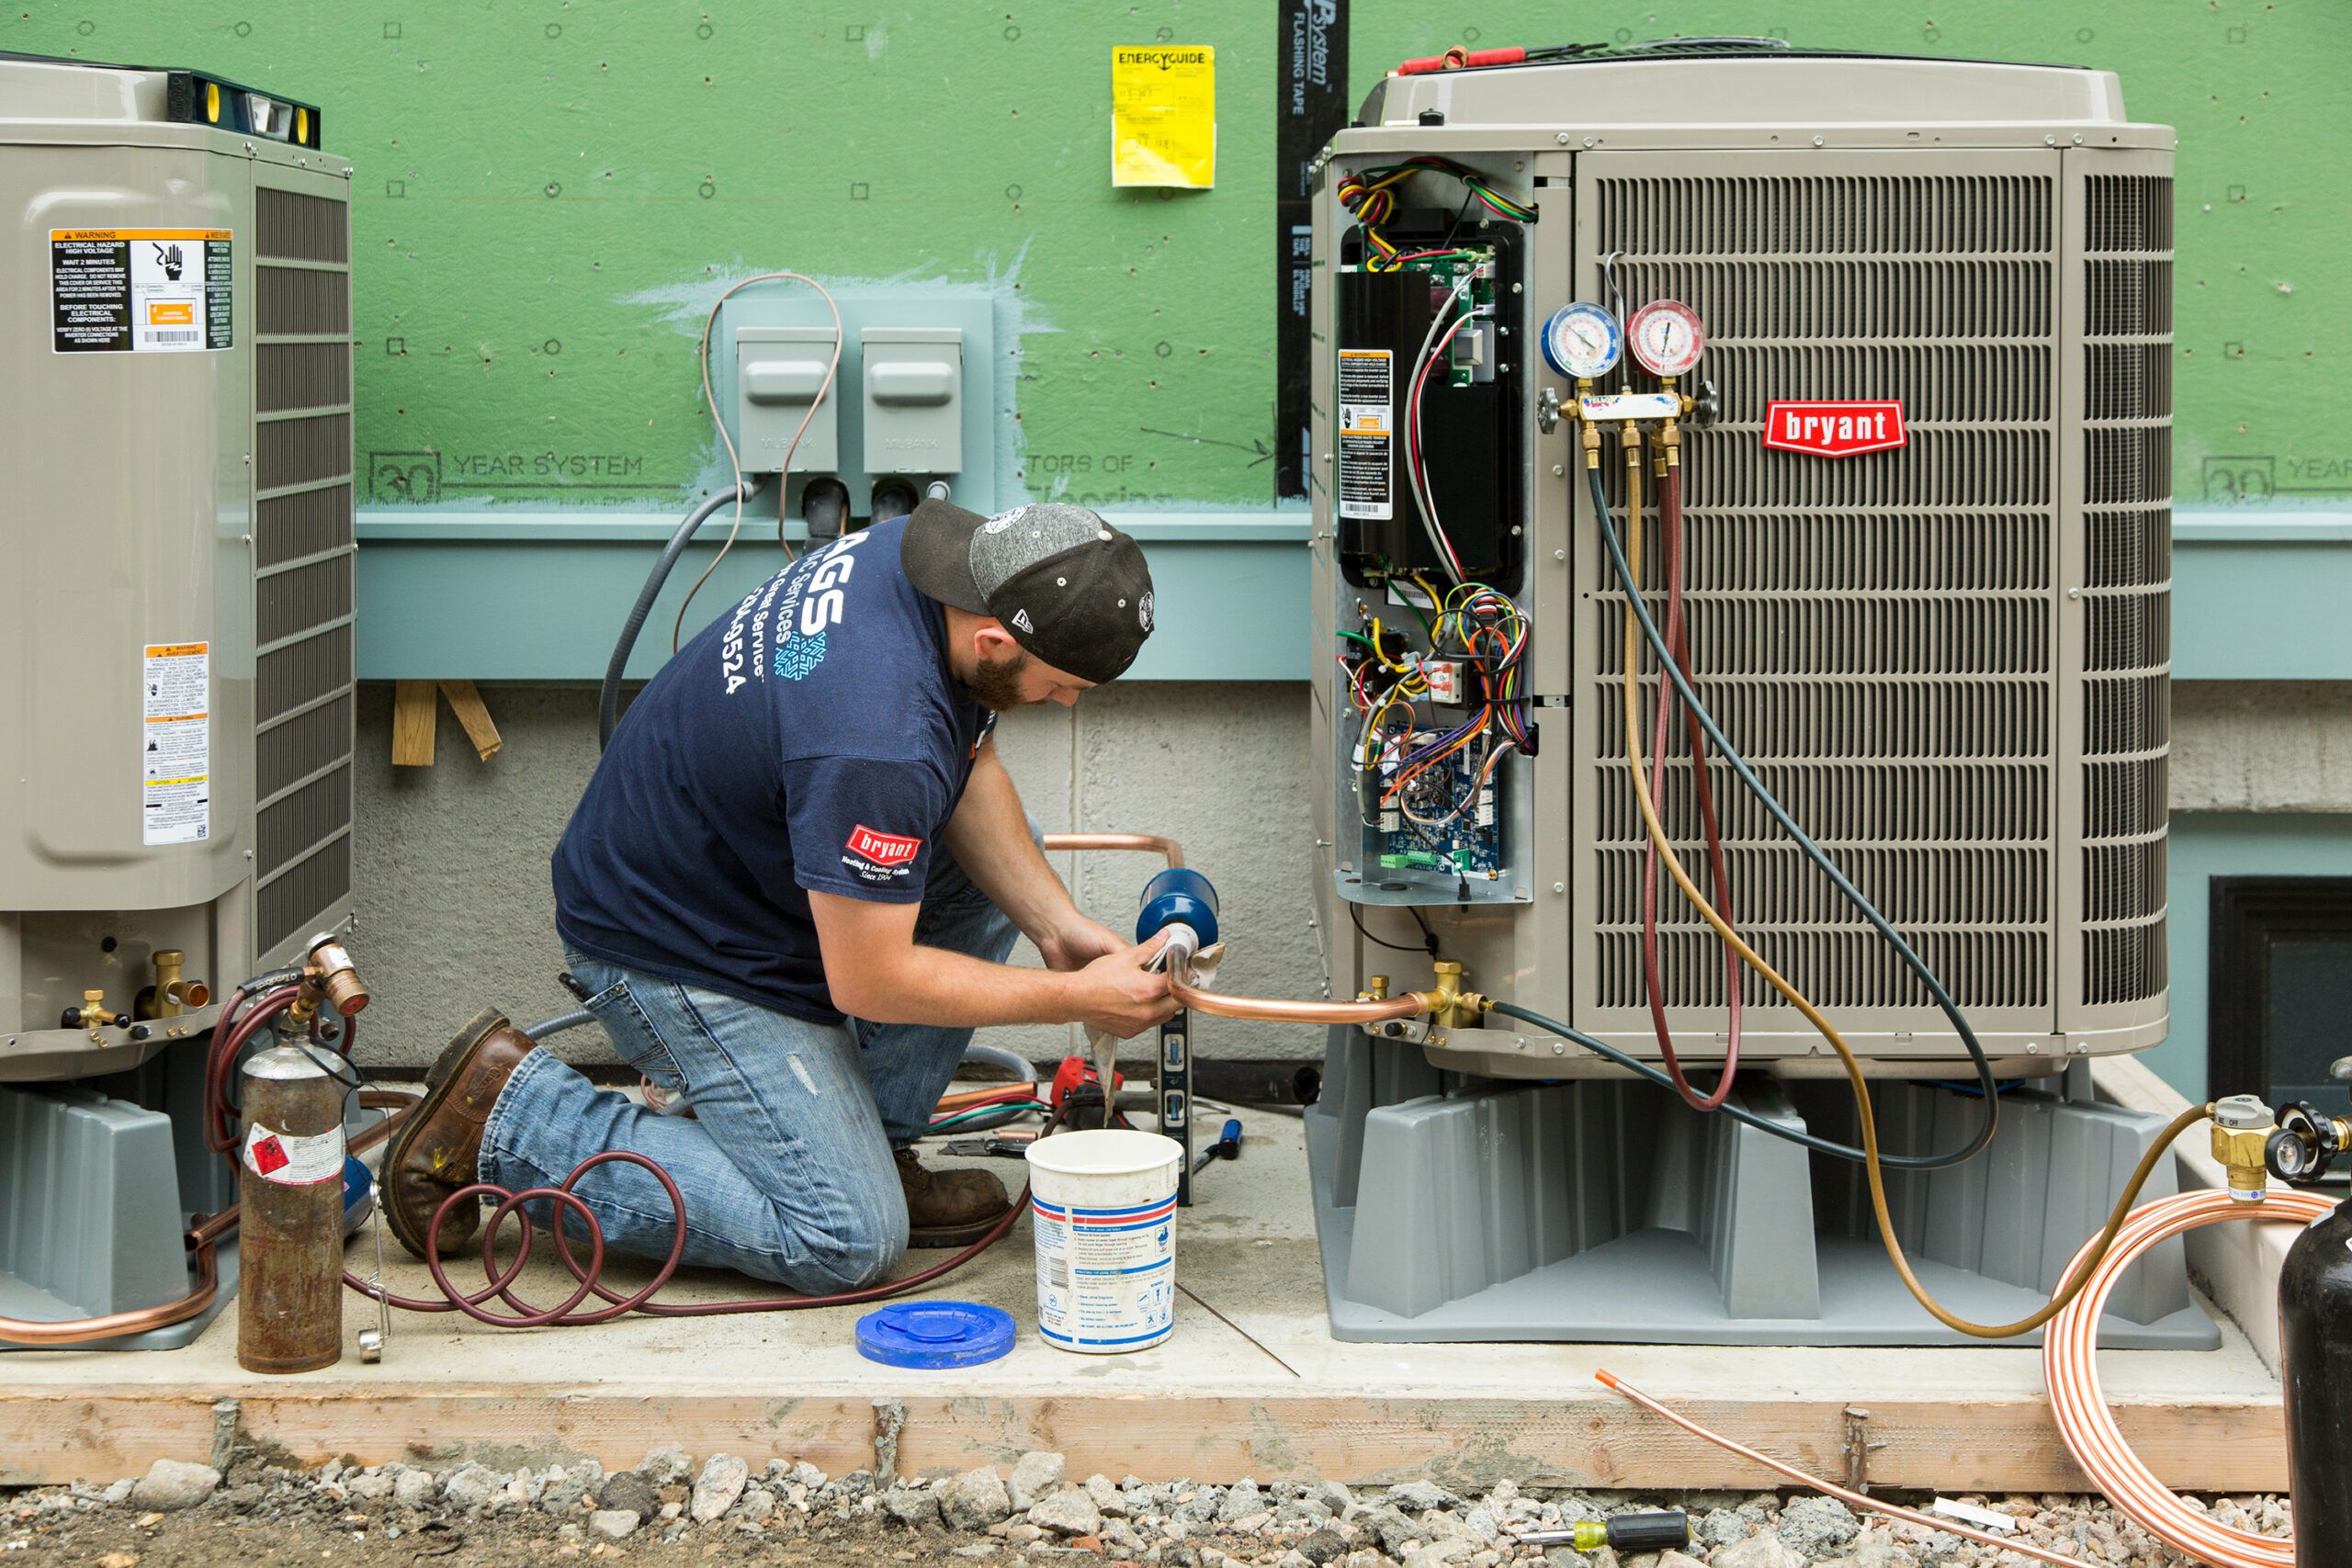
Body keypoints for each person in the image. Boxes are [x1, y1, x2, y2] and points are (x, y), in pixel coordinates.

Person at [379, 499, 1176, 1290]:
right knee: (847, 1238)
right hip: (677, 946)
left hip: (743, 876)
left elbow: (970, 765)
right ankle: (511, 1117)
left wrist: (1057, 925)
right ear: (995, 639)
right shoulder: (878, 732)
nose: (1069, 700)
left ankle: (868, 1145)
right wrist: (1070, 995)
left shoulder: (941, 564)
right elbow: (873, 980)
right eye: (1065, 683)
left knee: (1012, 860)